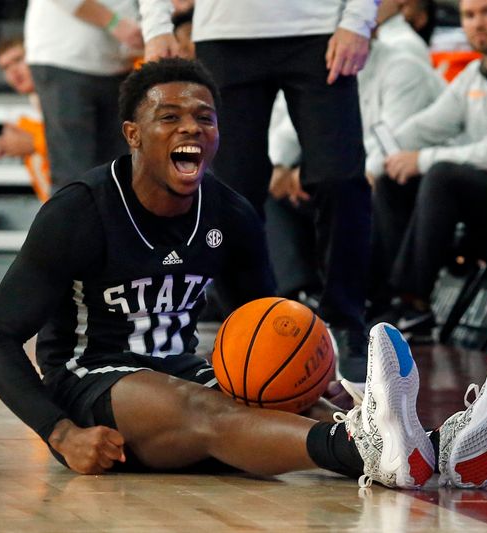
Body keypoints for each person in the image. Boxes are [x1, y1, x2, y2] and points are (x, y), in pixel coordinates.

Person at [0, 58, 487, 490]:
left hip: (181, 368)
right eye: (168, 117)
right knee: (207, 410)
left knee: (292, 401)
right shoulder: (81, 211)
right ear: (133, 133)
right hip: (90, 384)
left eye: (204, 118)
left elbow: (269, 328)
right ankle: (372, 450)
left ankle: (445, 452)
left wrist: (309, 378)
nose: (190, 129)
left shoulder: (231, 213)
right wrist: (61, 433)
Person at [139, 0, 376, 382]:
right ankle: (252, 323)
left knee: (340, 178)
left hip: (319, 28)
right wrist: (156, 26)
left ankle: (346, 321)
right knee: (232, 192)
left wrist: (359, 20)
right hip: (225, 35)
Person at [364, 0, 487, 339]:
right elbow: (422, 127)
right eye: (470, 15)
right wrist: (376, 165)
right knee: (393, 182)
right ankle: (393, 301)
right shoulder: (475, 74)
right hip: (483, 195)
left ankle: (412, 296)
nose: (478, 23)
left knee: (442, 174)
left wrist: (421, 159)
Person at [266, 28, 445, 352]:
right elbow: (291, 126)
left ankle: (380, 301)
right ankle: (300, 295)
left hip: (389, 174)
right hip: (341, 170)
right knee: (272, 189)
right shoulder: (319, 65)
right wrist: (280, 166)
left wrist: (358, 172)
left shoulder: (402, 66)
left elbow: (396, 137)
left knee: (353, 188)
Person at [24, 0, 143, 191]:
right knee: (75, 178)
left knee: (116, 177)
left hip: (118, 64)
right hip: (66, 60)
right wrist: (113, 22)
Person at [0, 36, 51, 203]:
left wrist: (34, 143)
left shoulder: (66, 100)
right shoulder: (23, 123)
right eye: (5, 68)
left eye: (18, 60)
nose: (13, 72)